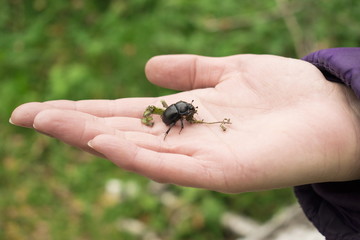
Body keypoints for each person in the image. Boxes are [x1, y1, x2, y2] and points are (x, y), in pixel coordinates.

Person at [10, 48, 360, 239]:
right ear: (182, 111)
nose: (189, 110)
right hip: (166, 118)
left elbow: (181, 113)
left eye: (188, 110)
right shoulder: (176, 113)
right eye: (187, 110)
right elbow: (176, 115)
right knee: (170, 126)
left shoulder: (182, 111)